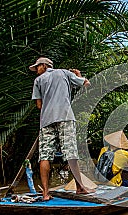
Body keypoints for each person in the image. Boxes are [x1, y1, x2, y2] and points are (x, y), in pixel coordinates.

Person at [30, 57, 93, 200]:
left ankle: (46, 193)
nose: (36, 71)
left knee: (45, 155)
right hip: (65, 117)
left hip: (46, 120)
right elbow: (86, 84)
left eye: (37, 67)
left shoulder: (38, 81)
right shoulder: (64, 73)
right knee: (70, 151)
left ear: (44, 66)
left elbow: (39, 106)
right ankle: (80, 187)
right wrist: (78, 75)